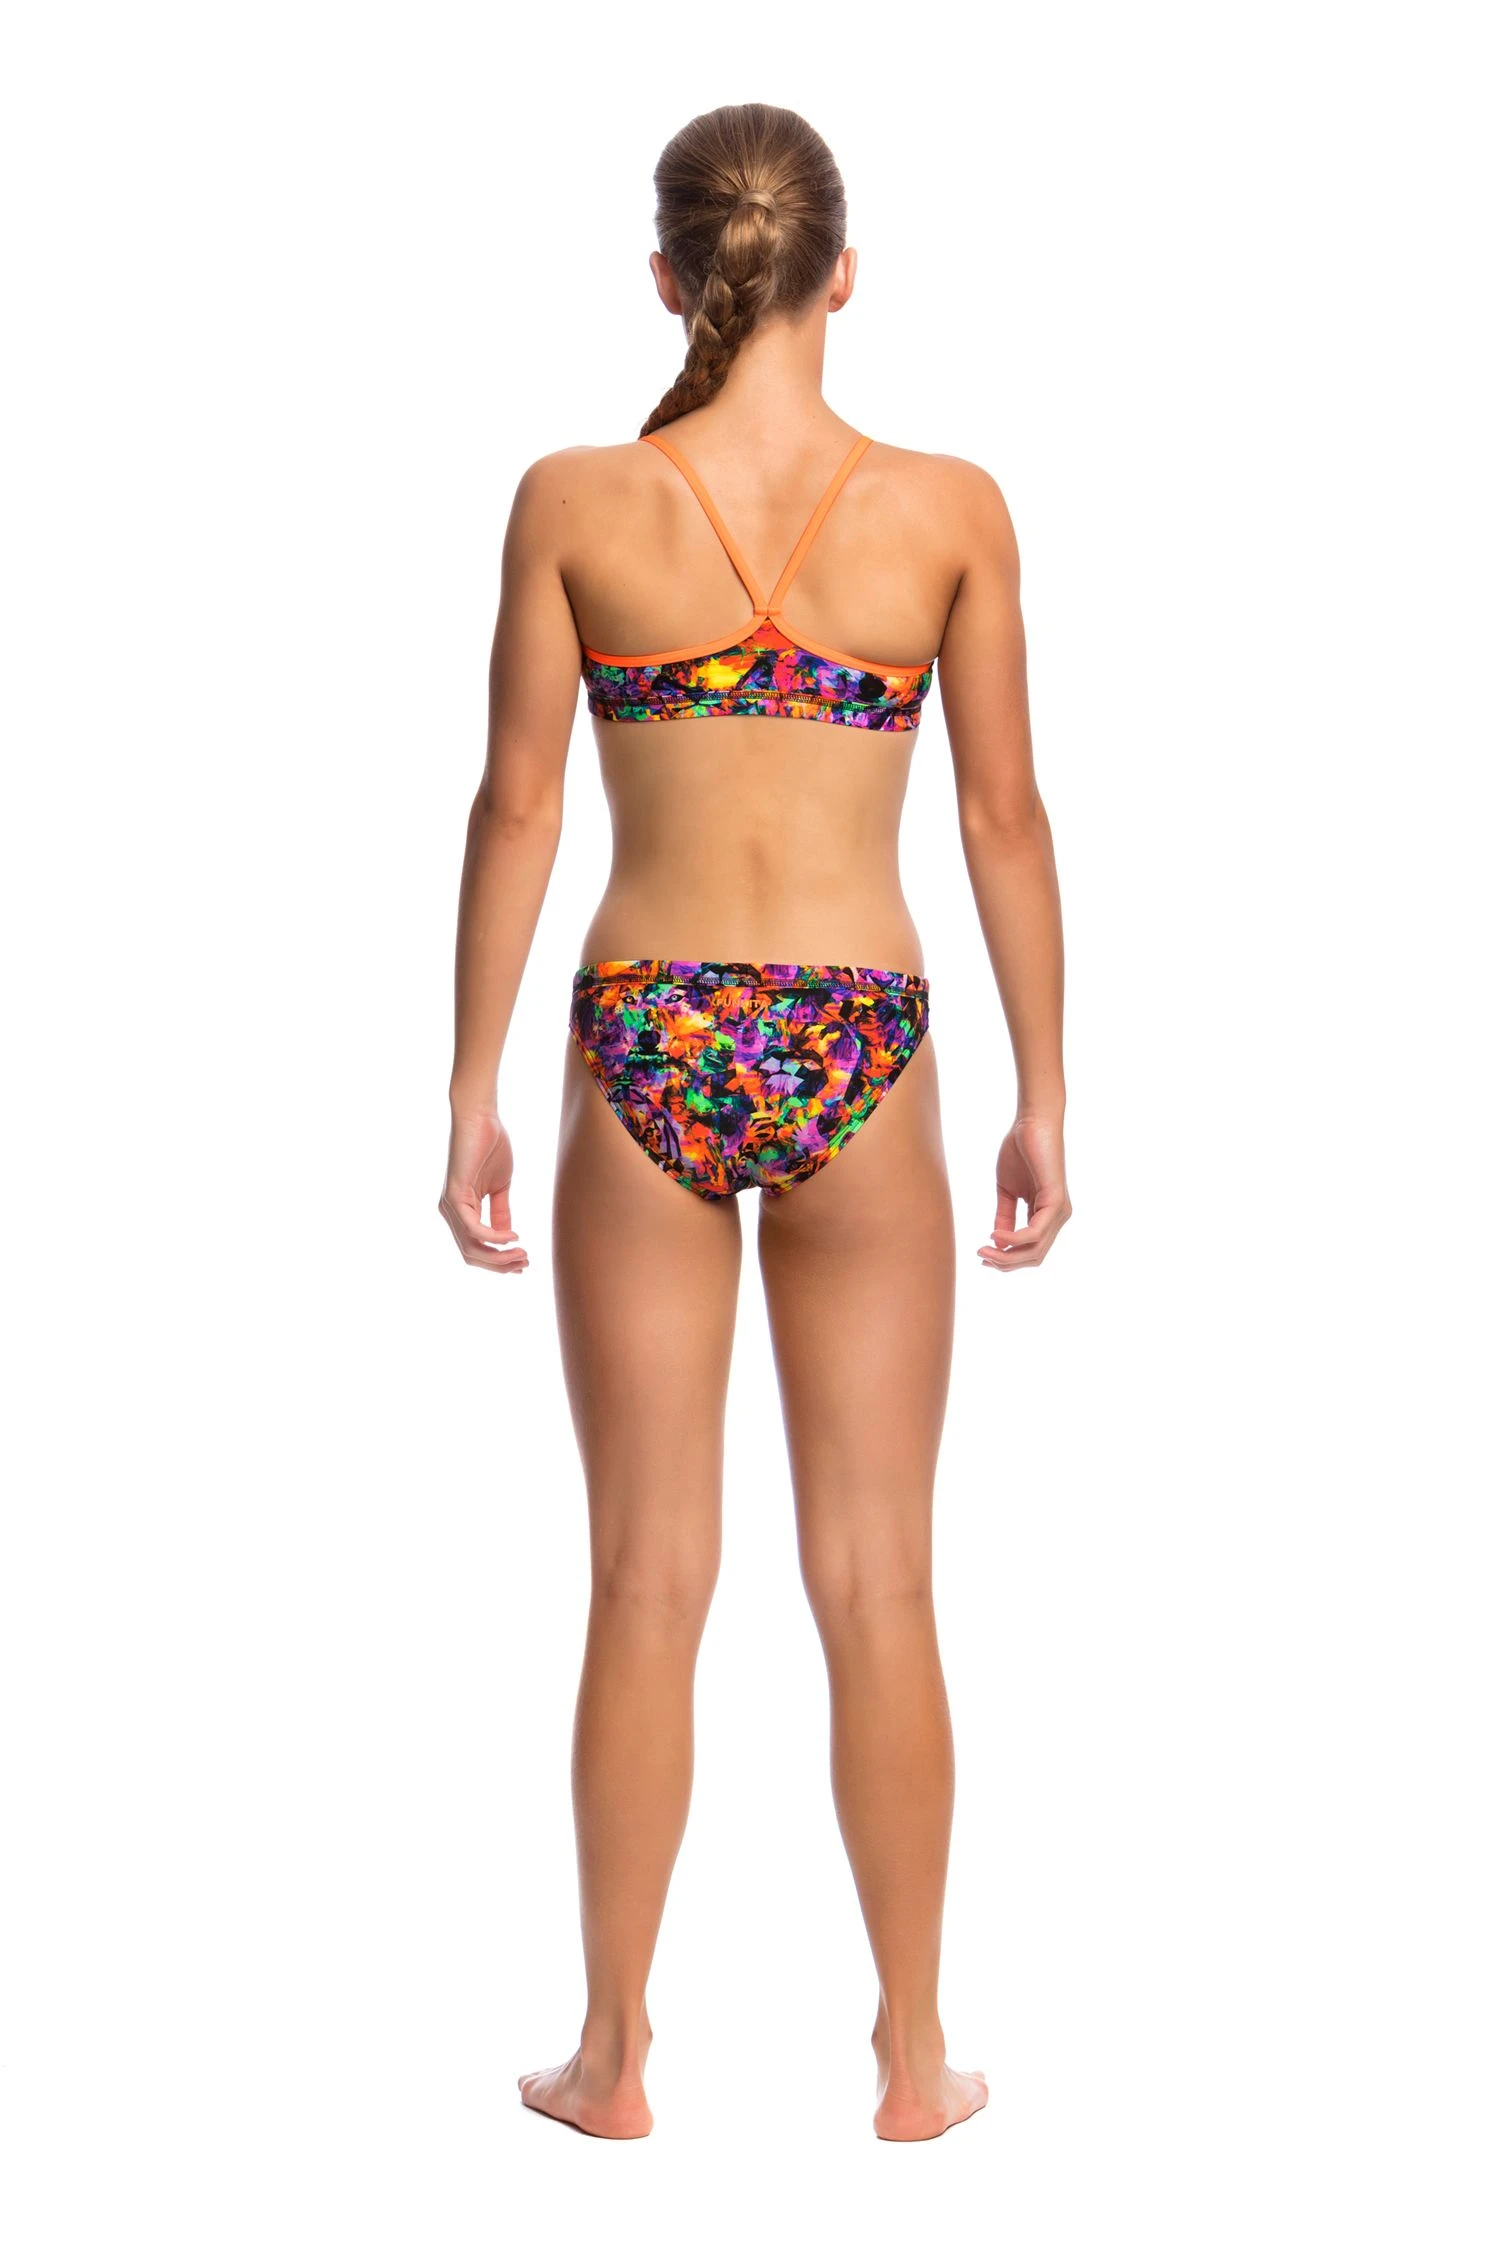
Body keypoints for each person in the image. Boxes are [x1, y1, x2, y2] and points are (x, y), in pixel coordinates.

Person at [440, 102, 1070, 2142]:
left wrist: (470, 1086)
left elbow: (518, 806)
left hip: (646, 1033)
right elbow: (1002, 819)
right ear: (844, 272)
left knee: (645, 1575)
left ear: (668, 278)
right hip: (861, 1041)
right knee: (881, 1576)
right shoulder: (948, 510)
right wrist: (1046, 1090)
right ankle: (916, 2058)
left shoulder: (575, 501)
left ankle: (614, 2058)